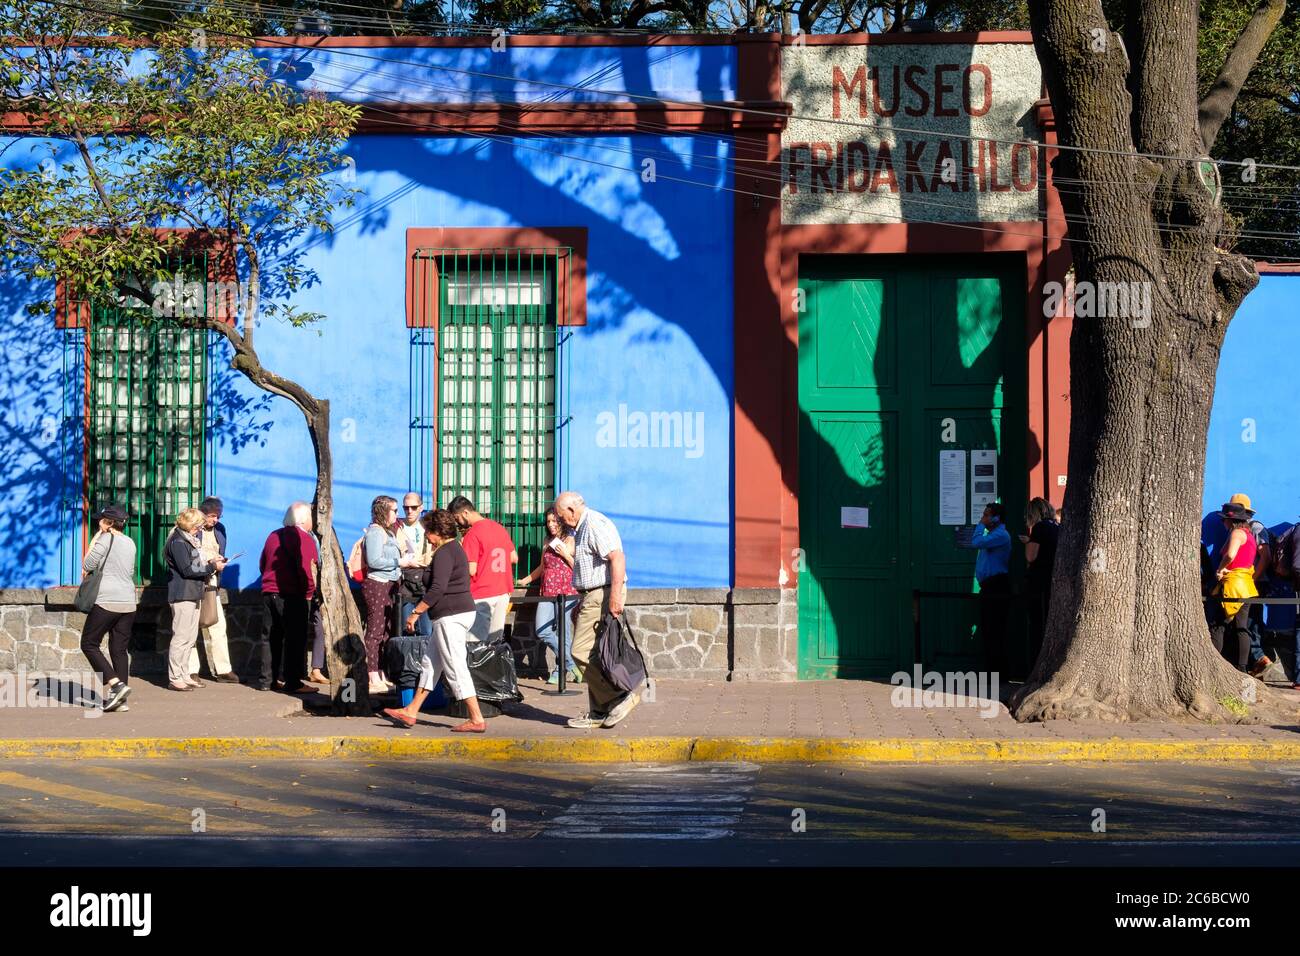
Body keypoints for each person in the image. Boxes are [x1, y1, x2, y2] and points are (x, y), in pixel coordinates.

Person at [382, 509, 487, 732]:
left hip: (450, 615)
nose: (427, 537)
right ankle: (411, 711)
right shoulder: (452, 549)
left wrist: (416, 612)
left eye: (429, 532)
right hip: (453, 614)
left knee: (455, 666)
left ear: (438, 532)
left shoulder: (445, 552)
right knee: (431, 664)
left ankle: (476, 718)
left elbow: (438, 589)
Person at [554, 491, 637, 729]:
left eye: (561, 515)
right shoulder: (580, 528)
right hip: (593, 593)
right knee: (595, 653)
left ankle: (619, 697)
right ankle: (599, 711)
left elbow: (617, 558)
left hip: (603, 592)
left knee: (579, 651)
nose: (560, 520)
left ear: (571, 510)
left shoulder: (594, 523)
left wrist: (614, 597)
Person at [79, 503, 138, 713]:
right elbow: (129, 570)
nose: (98, 522)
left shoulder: (104, 538)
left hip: (107, 600)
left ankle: (116, 684)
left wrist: (97, 536)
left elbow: (87, 565)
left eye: (101, 520)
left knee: (88, 643)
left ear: (109, 522)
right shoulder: (130, 542)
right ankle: (120, 700)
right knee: (119, 649)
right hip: (128, 602)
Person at [256, 502, 319, 693]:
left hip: (269, 593)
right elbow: (307, 569)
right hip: (292, 594)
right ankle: (293, 682)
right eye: (311, 516)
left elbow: (262, 563)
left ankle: (267, 680)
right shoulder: (304, 538)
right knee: (294, 639)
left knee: (270, 638)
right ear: (303, 519)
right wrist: (309, 592)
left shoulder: (273, 535)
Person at [517, 507, 581, 684]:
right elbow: (542, 567)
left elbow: (577, 566)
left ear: (561, 521)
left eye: (554, 521)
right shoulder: (547, 540)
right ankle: (570, 663)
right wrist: (526, 580)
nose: (551, 525)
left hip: (566, 590)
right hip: (547, 590)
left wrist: (565, 554)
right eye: (548, 522)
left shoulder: (570, 539)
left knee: (564, 631)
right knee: (542, 629)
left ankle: (559, 671)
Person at [165, 508, 226, 692]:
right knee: (181, 637)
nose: (199, 530)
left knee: (190, 637)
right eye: (197, 526)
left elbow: (195, 566)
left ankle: (184, 674)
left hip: (193, 592)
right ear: (189, 525)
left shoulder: (188, 540)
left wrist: (209, 563)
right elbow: (187, 570)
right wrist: (212, 567)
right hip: (182, 594)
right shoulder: (177, 541)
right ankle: (175, 677)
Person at [447, 496, 517, 644]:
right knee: (494, 642)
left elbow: (471, 570)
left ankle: (474, 668)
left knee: (475, 641)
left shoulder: (472, 534)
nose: (457, 523)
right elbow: (513, 558)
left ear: (465, 513)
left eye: (457, 518)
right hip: (503, 590)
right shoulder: (499, 528)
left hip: (481, 593)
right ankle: (492, 668)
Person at [187, 497, 239, 683]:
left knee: (218, 626)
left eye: (218, 516)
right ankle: (192, 670)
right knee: (191, 627)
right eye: (212, 516)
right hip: (193, 584)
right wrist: (210, 560)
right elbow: (190, 556)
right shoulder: (192, 529)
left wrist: (221, 560)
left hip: (212, 583)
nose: (215, 520)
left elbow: (220, 550)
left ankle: (224, 669)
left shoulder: (220, 530)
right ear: (202, 514)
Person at [363, 495, 405, 694]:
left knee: (386, 631)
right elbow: (374, 560)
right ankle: (372, 675)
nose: (398, 514)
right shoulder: (375, 532)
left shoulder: (389, 532)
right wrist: (399, 563)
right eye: (395, 510)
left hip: (390, 584)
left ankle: (380, 672)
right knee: (375, 632)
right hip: (377, 584)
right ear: (383, 511)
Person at [1210, 500, 1258, 671]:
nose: (1223, 523)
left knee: (1218, 625)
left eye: (1224, 519)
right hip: (1246, 585)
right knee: (1241, 627)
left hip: (1233, 585)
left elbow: (1230, 555)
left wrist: (1220, 569)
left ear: (1230, 520)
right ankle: (1242, 667)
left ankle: (1213, 666)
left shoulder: (1236, 533)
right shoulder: (1249, 534)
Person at [968, 502, 1012, 679]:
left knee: (994, 630)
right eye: (984, 515)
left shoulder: (1000, 535)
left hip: (997, 585)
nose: (983, 518)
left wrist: (980, 525)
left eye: (987, 515)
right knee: (988, 630)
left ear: (996, 518)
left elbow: (976, 542)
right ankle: (993, 672)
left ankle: (998, 674)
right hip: (989, 586)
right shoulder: (993, 534)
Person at [1019, 497, 1059, 670]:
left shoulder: (1039, 527)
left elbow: (1031, 556)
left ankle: (1035, 667)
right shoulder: (1057, 526)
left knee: (1037, 626)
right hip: (1053, 583)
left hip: (1039, 584)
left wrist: (1028, 542)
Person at [397, 492, 434, 640]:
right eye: (406, 508)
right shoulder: (397, 526)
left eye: (413, 507)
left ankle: (426, 660)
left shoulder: (427, 527)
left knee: (427, 629)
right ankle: (407, 661)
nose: (409, 511)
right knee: (406, 628)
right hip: (405, 581)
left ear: (421, 507)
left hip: (424, 579)